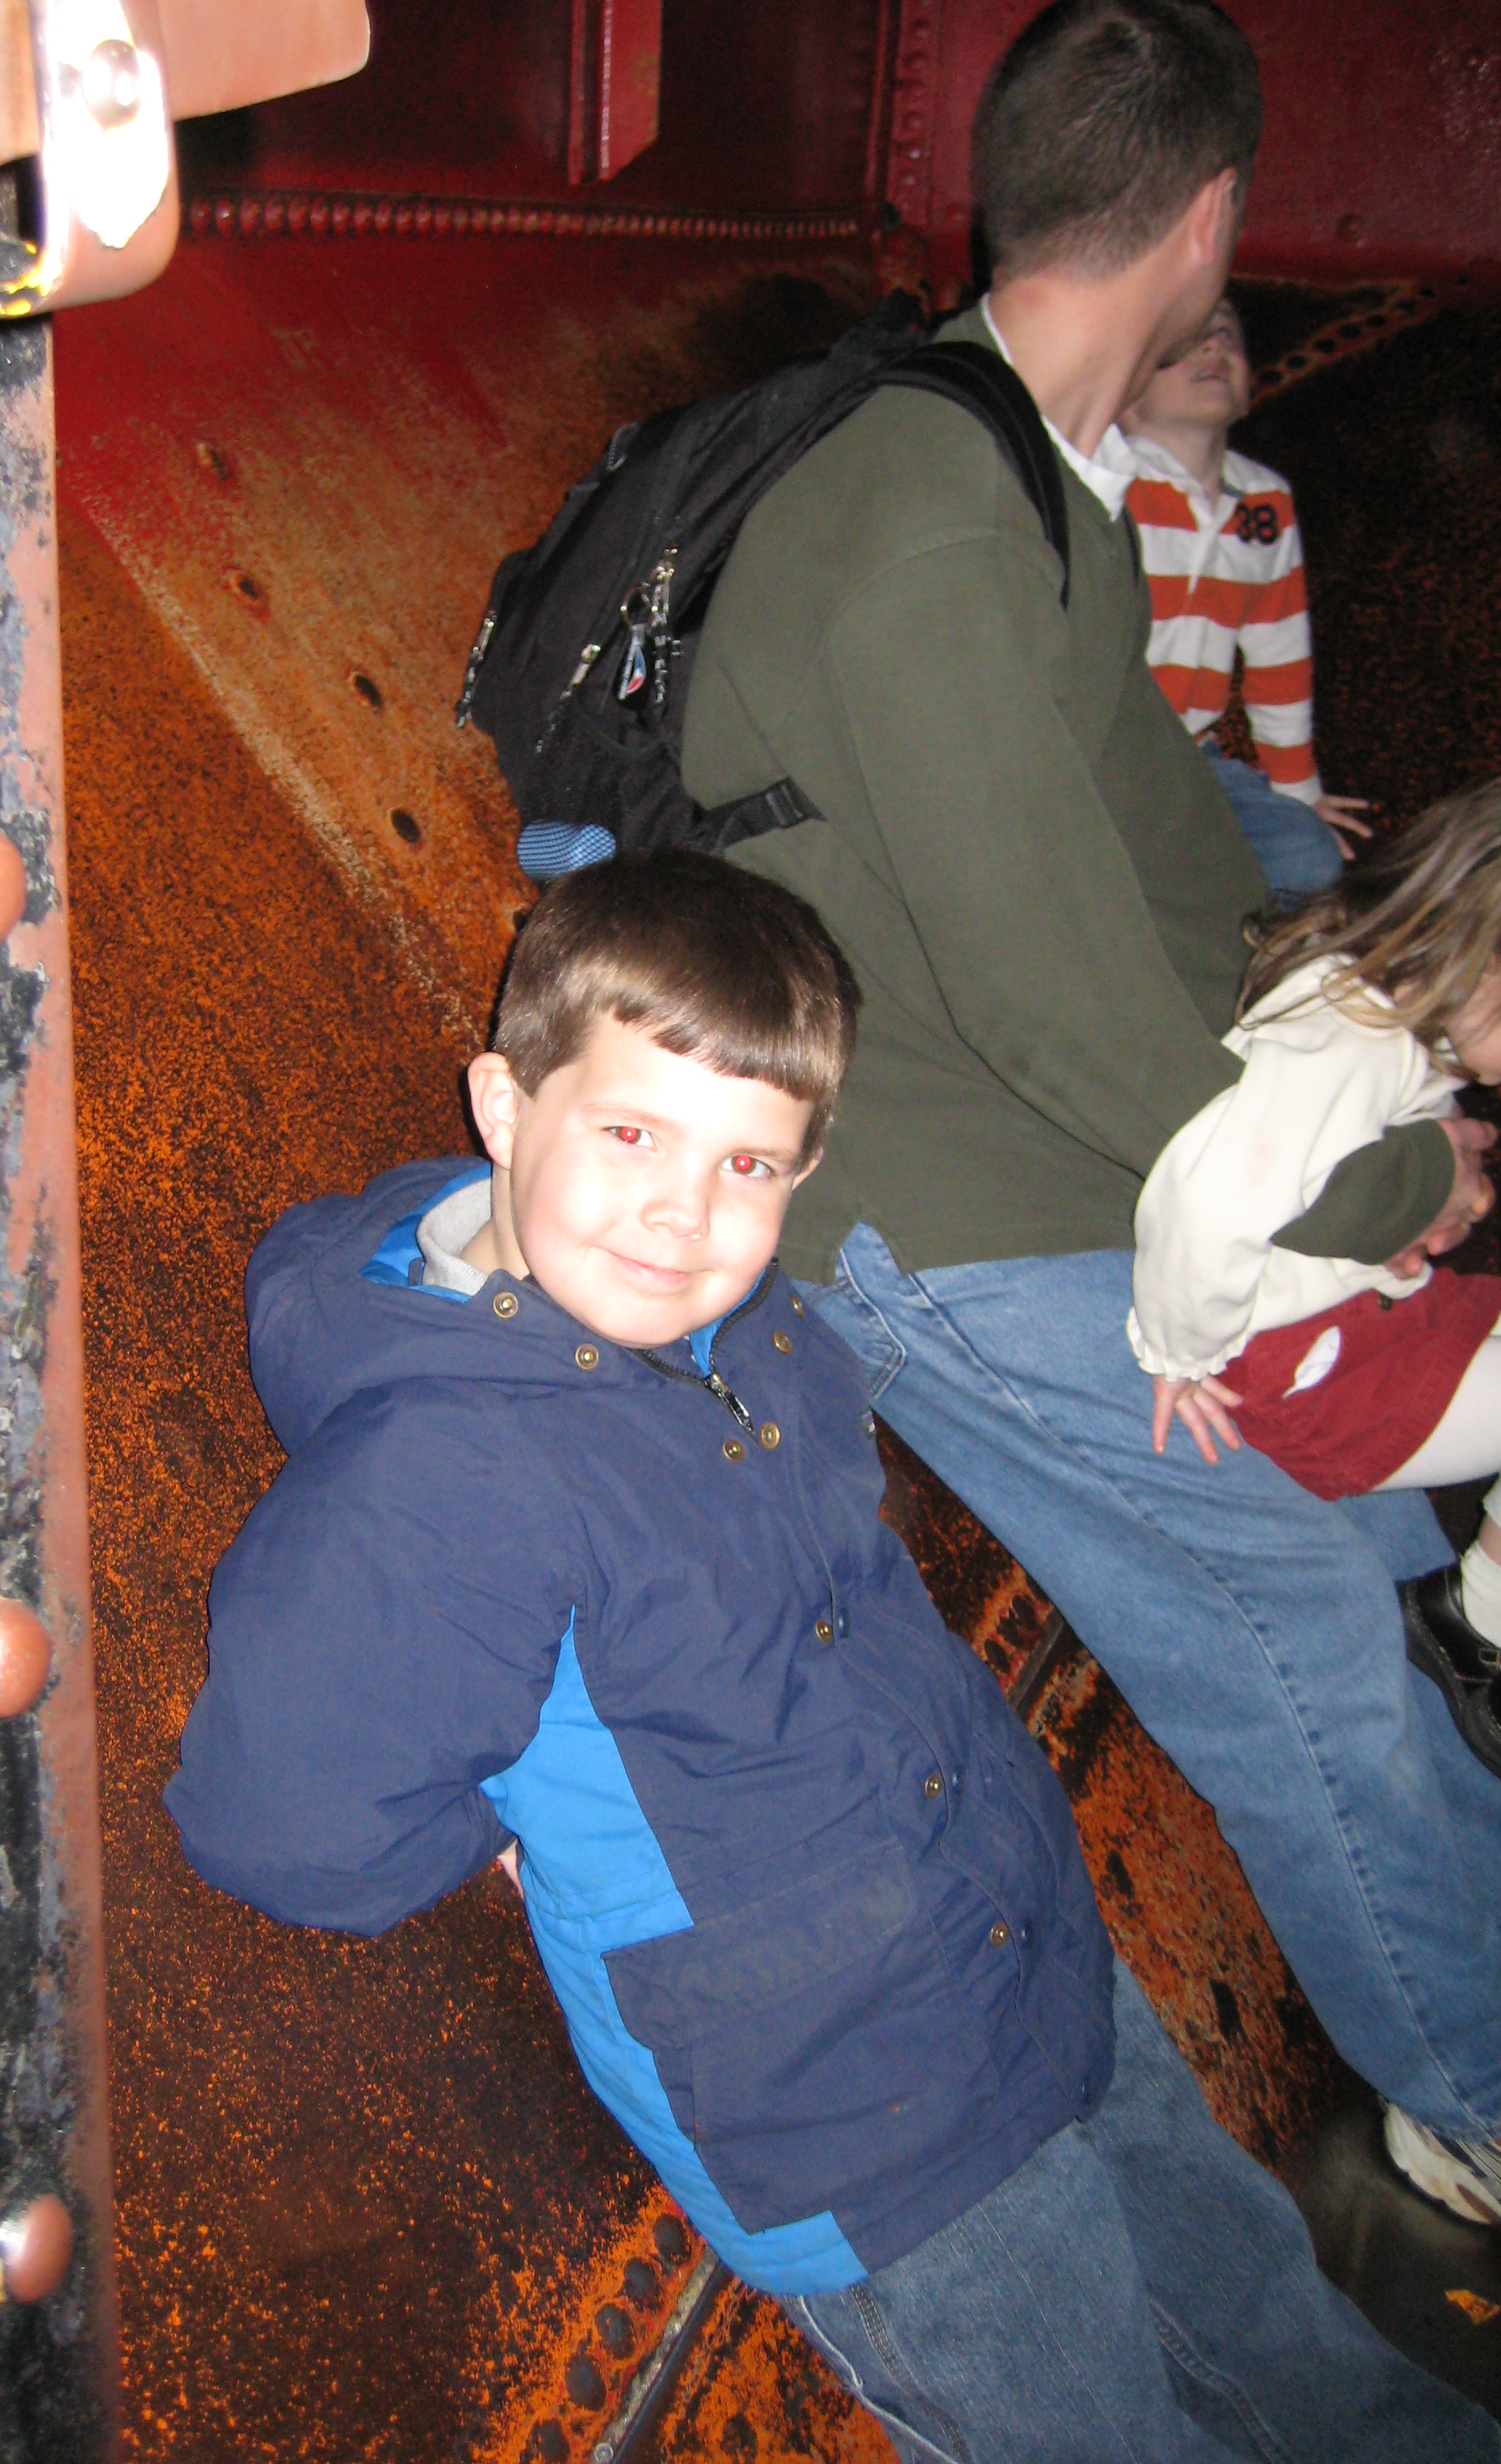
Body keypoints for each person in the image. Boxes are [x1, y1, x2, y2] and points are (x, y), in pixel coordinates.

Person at [165, 853, 1495, 2462]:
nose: (684, 1213)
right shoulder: (442, 1473)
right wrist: (506, 1823)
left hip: (1022, 1948)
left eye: (749, 1163)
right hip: (855, 2121)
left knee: (1281, 2329)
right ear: (504, 1105)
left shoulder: (748, 1320)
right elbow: (288, 1831)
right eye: (631, 1134)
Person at [680, 0, 1501, 2223]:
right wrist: (1381, 1177)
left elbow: (1180, 874)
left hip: (1039, 1136)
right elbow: (1065, 1009)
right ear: (1211, 217)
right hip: (916, 1200)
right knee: (1291, 1615)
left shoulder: (1030, 484)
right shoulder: (936, 523)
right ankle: (1474, 2085)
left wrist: (1366, 1064)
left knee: (1361, 1509)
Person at [1131, 780, 1501, 1798]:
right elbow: (1211, 1198)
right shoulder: (1353, 1035)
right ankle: (1477, 1619)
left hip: (1363, 1325)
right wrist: (1177, 1352)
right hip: (1312, 1380)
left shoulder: (1382, 1014)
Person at [1121, 293, 1369, 903]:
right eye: (1186, 338)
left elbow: (1280, 664)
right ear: (1125, 391)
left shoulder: (1265, 503)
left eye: (1229, 335)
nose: (1214, 345)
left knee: (1309, 859)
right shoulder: (1108, 483)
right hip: (1100, 746)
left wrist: (1299, 794)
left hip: (1190, 757)